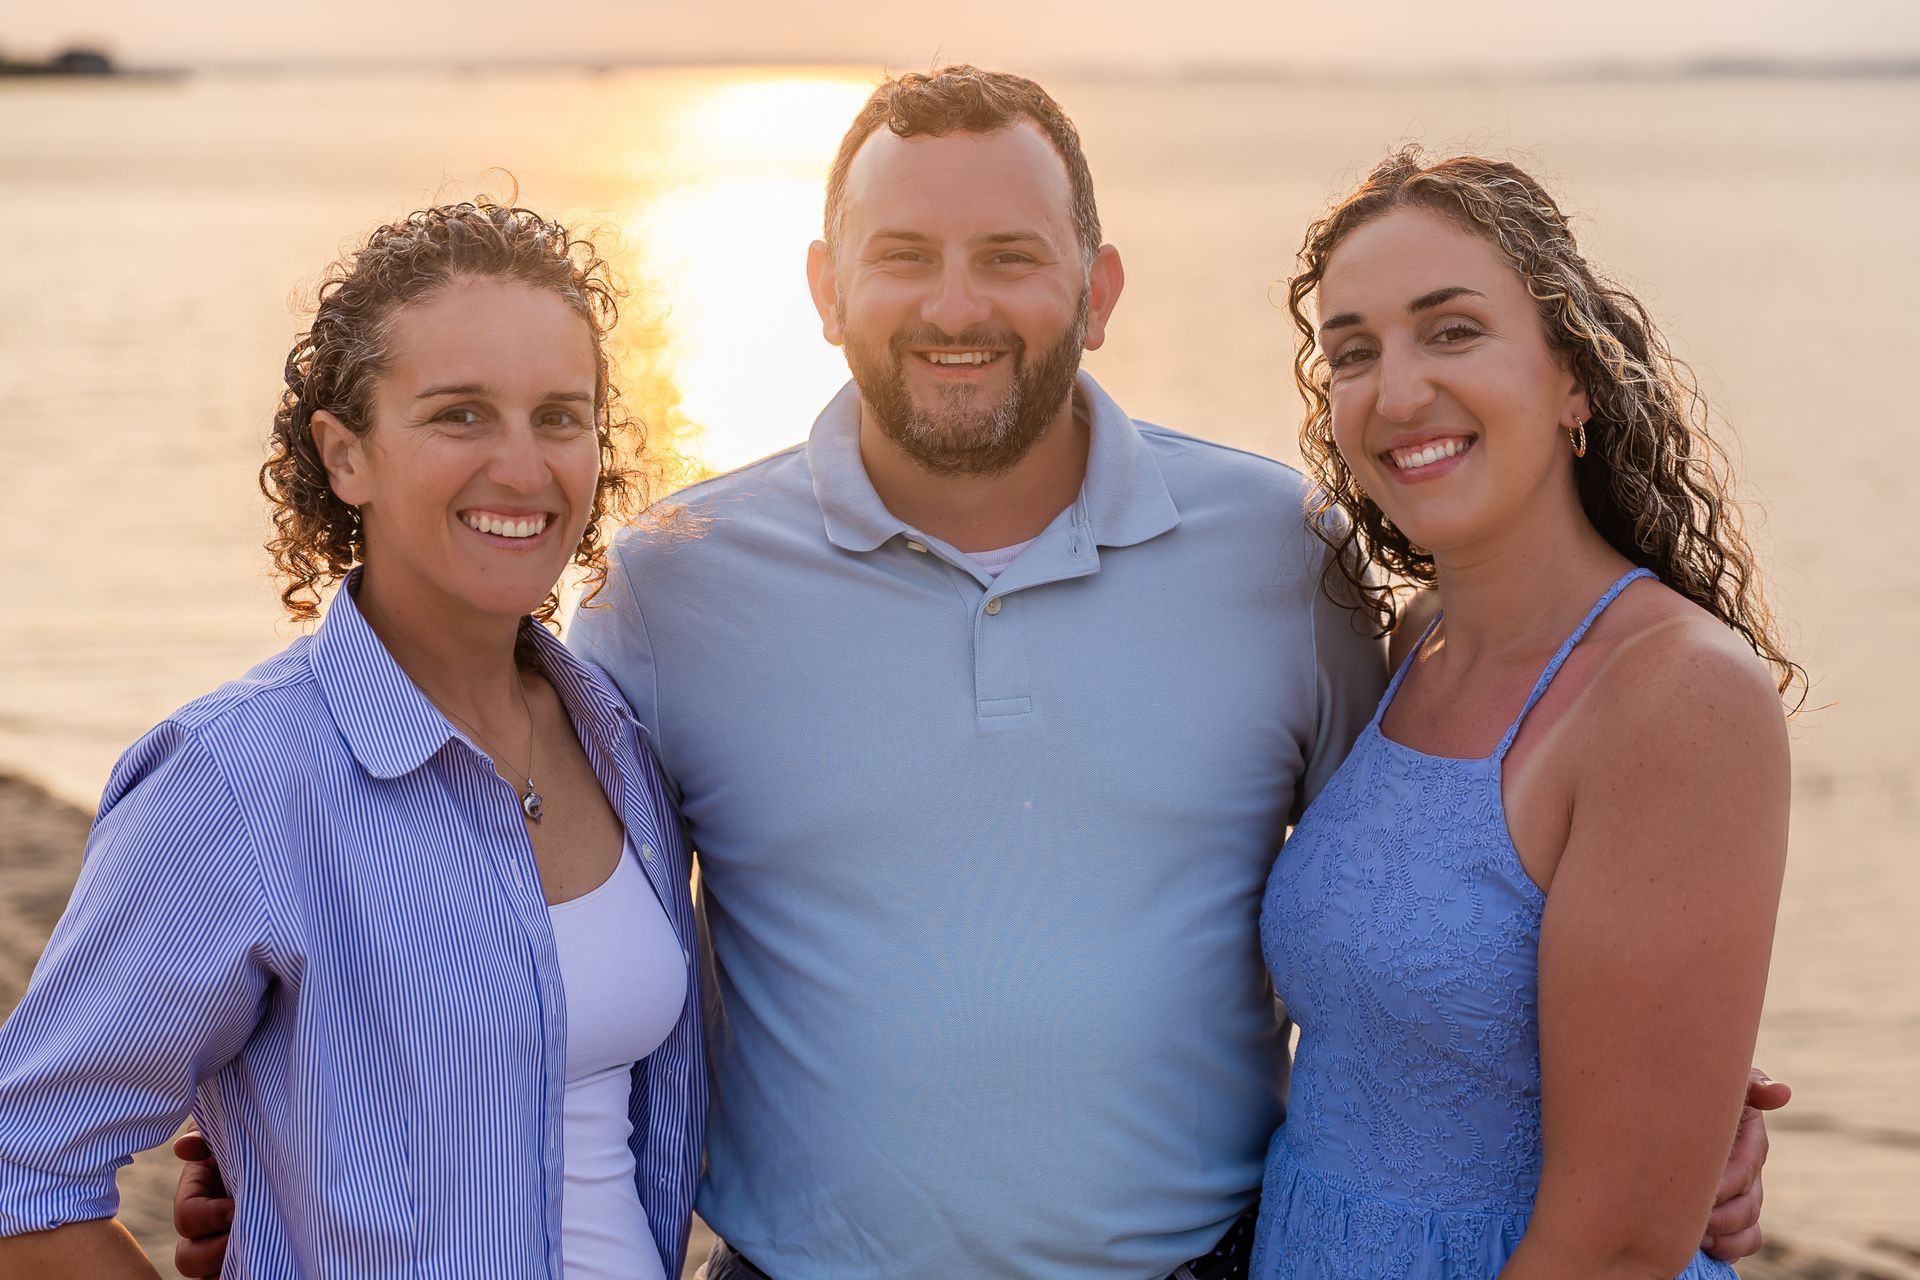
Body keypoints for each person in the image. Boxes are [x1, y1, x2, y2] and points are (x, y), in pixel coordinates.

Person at [174, 68, 1782, 1280]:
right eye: (905, 256)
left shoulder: (1276, 555)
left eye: (1012, 255)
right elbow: (512, 897)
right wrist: (282, 1112)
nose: (957, 308)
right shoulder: (671, 586)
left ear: (1098, 289)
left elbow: (1416, 885)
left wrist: (1664, 1107)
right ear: (822, 288)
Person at [0, 201, 705, 1278]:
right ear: (344, 454)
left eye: (560, 416)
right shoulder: (234, 779)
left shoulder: (619, 739)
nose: (524, 467)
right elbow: (23, 1173)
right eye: (460, 414)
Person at [1249, 150, 1796, 1279]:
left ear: (1574, 379)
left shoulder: (1677, 694)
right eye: (1353, 351)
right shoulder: (1409, 648)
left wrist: (1682, 1144)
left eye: (1451, 331)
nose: (1397, 392)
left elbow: (1621, 1245)